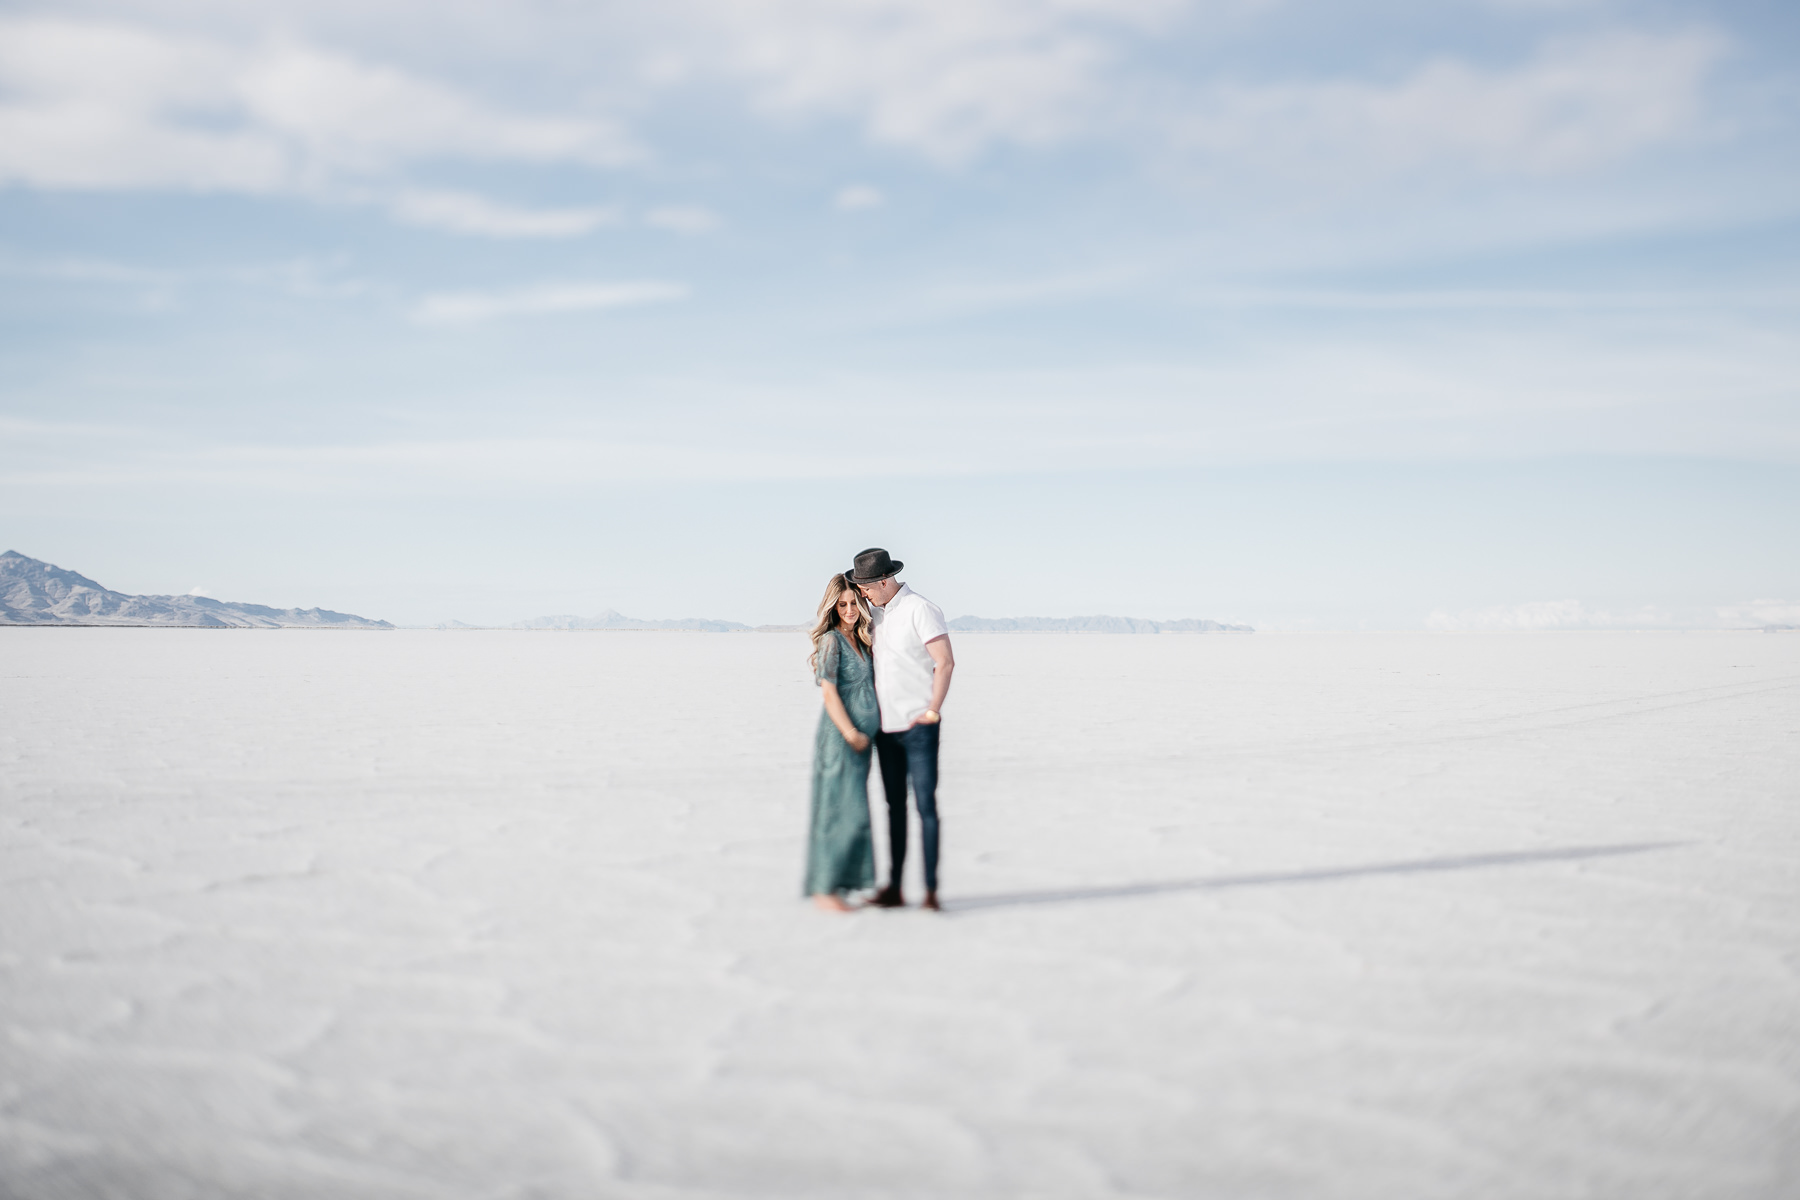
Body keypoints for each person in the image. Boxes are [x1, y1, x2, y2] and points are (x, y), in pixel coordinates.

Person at [849, 547, 955, 911]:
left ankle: (930, 891)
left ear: (884, 581)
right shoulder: (875, 616)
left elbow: (945, 662)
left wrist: (932, 711)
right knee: (894, 807)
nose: (863, 593)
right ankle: (894, 889)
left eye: (866, 587)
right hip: (886, 728)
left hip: (919, 726)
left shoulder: (920, 609)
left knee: (925, 806)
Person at [803, 572, 880, 912]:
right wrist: (850, 733)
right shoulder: (832, 641)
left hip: (862, 744)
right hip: (841, 741)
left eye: (853, 603)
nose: (849, 610)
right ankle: (825, 888)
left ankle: (846, 882)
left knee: (856, 813)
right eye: (842, 605)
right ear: (832, 607)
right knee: (836, 811)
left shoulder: (861, 640)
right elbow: (829, 693)